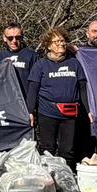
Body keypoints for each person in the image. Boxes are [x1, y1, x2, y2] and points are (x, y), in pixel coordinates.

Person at [26, 29, 88, 164]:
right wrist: (29, 111)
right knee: (47, 149)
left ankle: (66, 174)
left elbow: (83, 88)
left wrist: (89, 111)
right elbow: (33, 91)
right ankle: (47, 175)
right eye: (56, 41)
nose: (61, 44)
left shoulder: (74, 63)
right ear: (49, 46)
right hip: (47, 113)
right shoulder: (40, 65)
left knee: (68, 150)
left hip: (70, 114)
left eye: (63, 41)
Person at [0, 24, 37, 96]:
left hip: (26, 99)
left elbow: (36, 83)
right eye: (10, 38)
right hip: (6, 99)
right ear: (5, 38)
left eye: (18, 37)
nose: (14, 41)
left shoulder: (32, 56)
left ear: (22, 38)